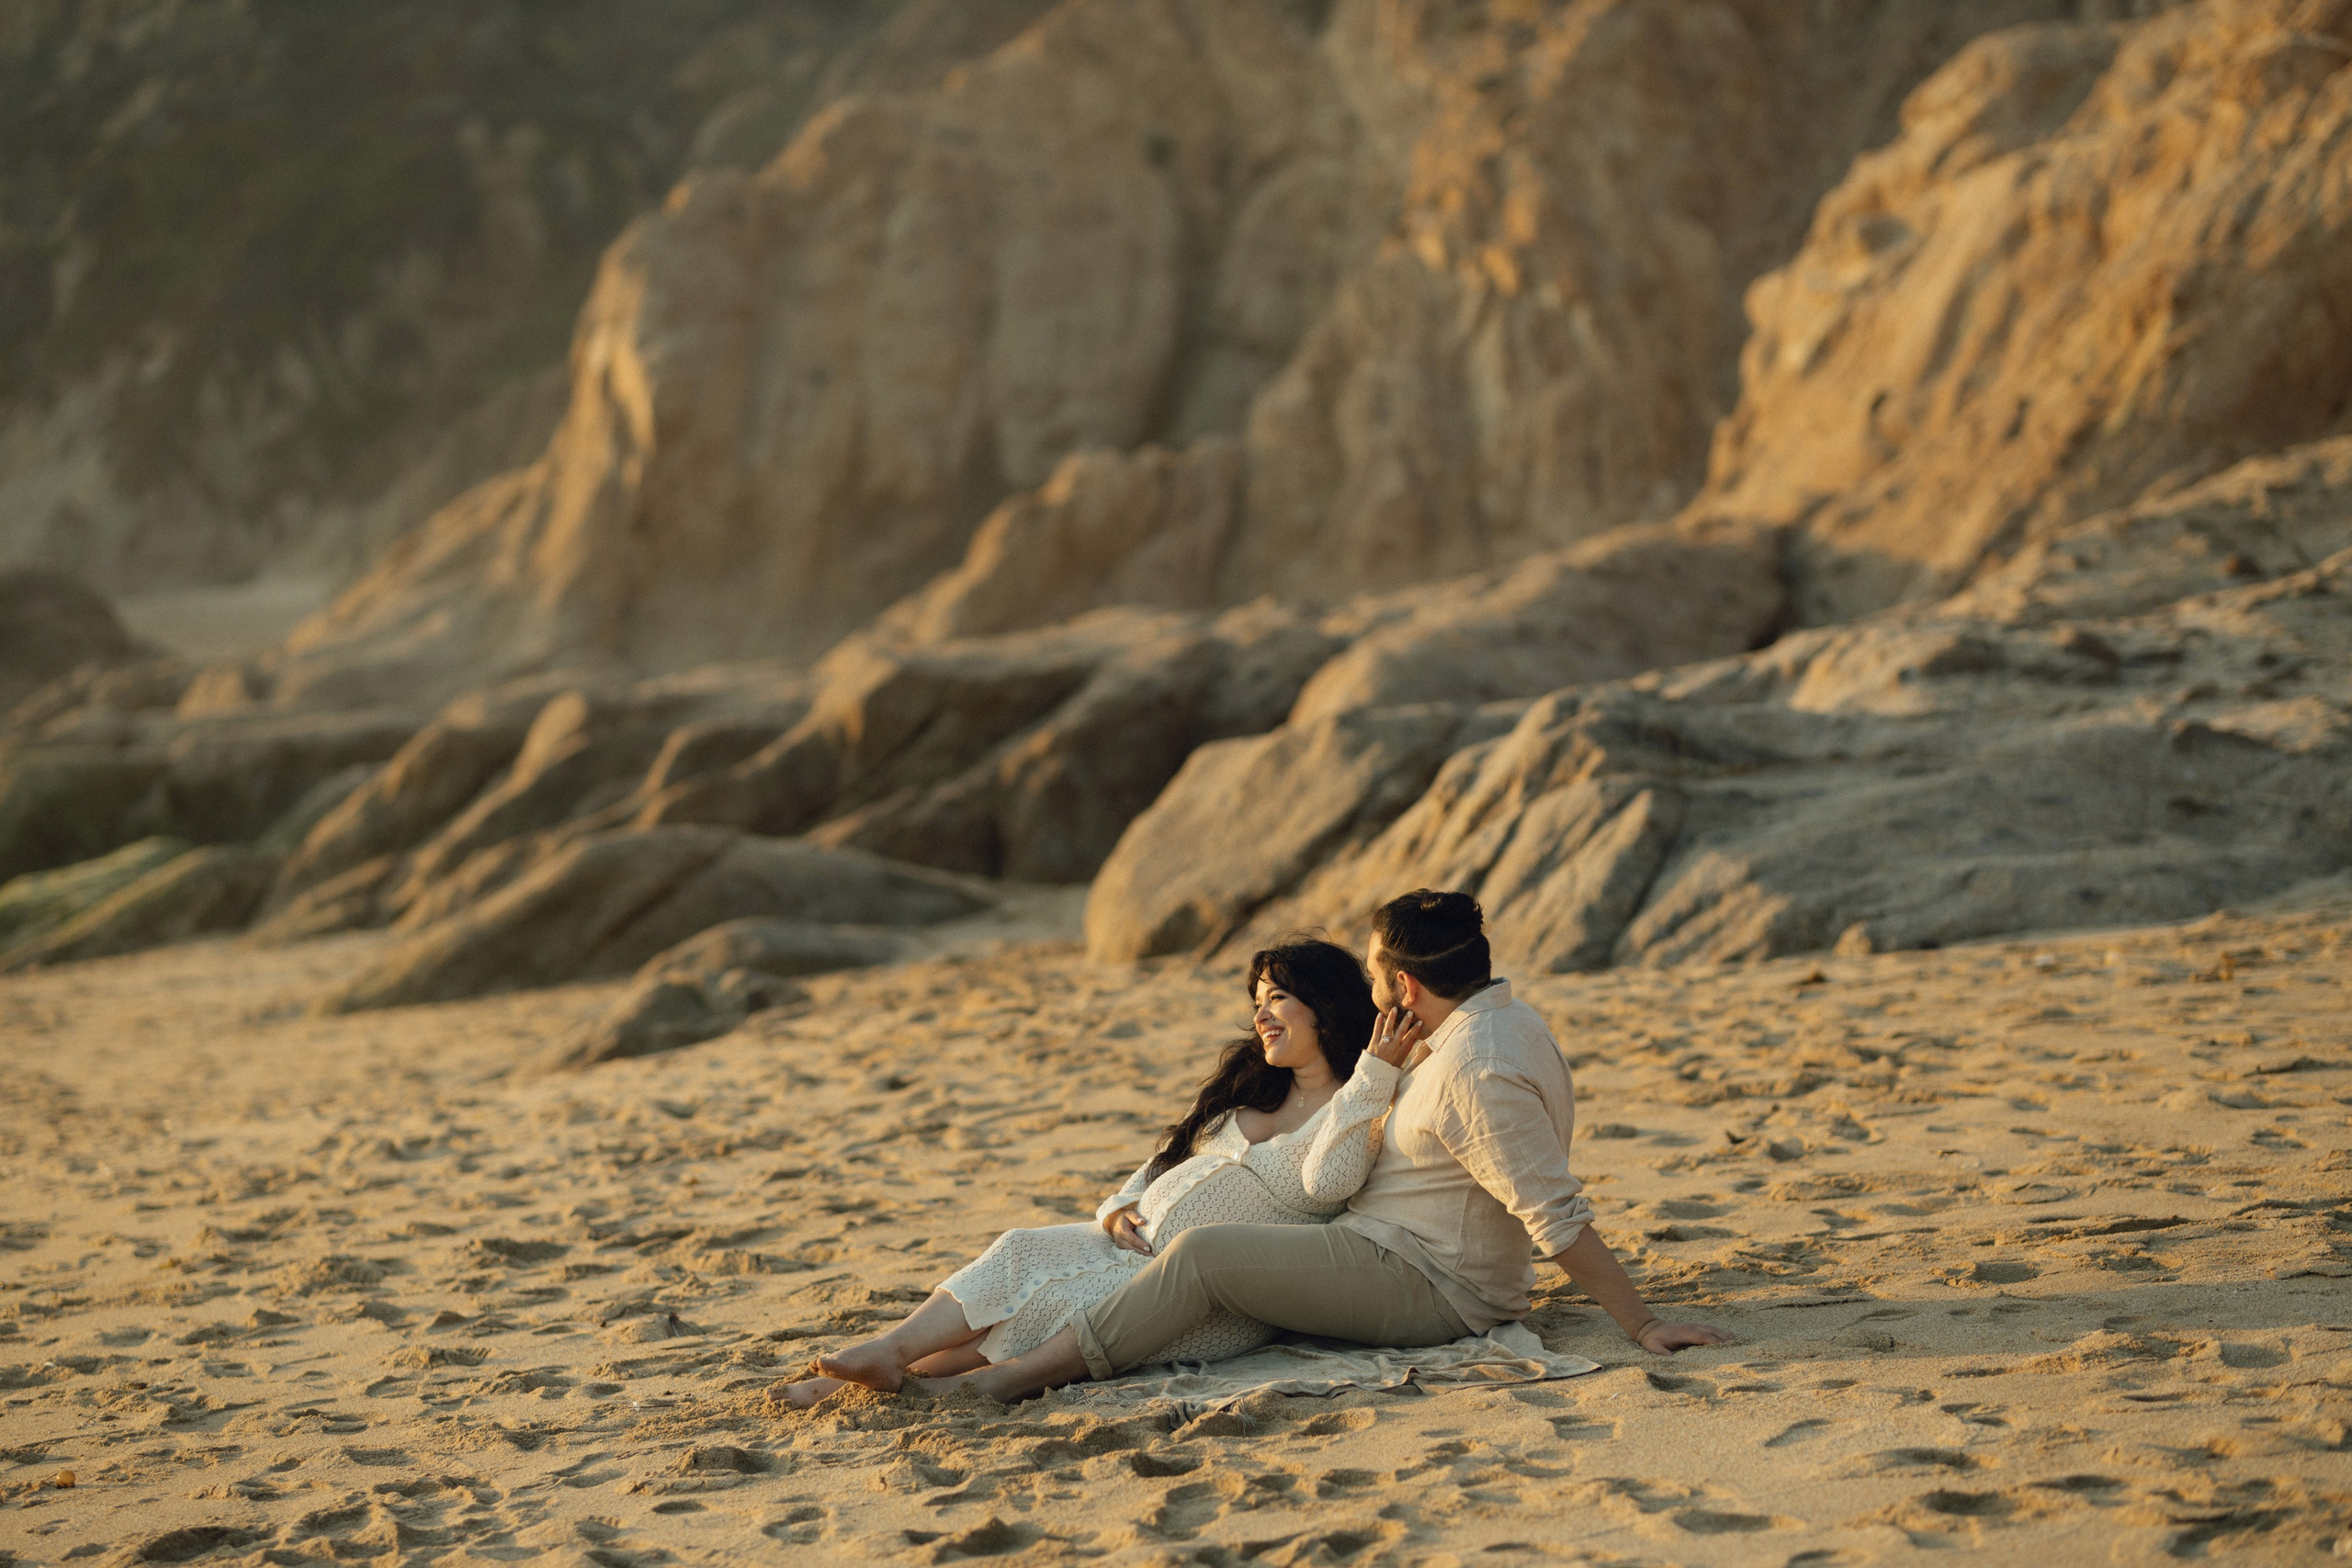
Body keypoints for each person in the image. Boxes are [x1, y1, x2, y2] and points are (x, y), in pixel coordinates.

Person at [912, 888, 1732, 1403]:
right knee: (1170, 1257)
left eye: (1376, 977)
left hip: (1432, 1282)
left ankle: (1021, 1374)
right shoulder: (1491, 1024)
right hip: (1387, 1248)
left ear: (1404, 986)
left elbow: (1551, 1209)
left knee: (1203, 1257)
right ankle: (936, 1355)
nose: (1371, 993)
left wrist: (1642, 1322)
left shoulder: (1475, 1068)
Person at [774, 937, 1419, 1407]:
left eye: (1277, 997)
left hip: (1195, 1291)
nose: (1261, 1015)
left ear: (1324, 1006)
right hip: (1129, 1244)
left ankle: (864, 1384)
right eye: (1257, 1001)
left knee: (1054, 1301)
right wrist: (1115, 1209)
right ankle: (891, 1352)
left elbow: (1327, 1184)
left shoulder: (1355, 1105)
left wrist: (1371, 1077)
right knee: (1020, 1249)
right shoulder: (1252, 1087)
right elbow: (1159, 1165)